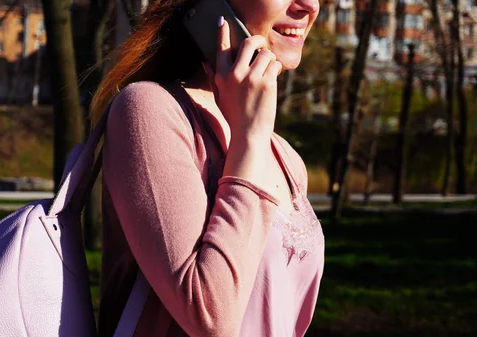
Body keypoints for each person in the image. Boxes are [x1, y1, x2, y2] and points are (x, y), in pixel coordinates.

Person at [92, 0, 324, 335]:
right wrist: (250, 139)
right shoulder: (150, 112)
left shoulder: (287, 159)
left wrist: (255, 136)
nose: (309, 6)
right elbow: (209, 318)